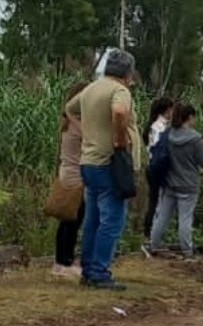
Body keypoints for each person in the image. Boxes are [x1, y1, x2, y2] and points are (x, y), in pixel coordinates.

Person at [65, 49, 140, 291]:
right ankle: (99, 271)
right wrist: (120, 139)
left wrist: (85, 130)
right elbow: (119, 111)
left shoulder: (92, 88)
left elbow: (70, 108)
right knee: (112, 220)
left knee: (93, 220)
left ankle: (88, 269)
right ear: (128, 73)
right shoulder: (119, 91)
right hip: (110, 163)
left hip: (89, 162)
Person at [149, 103, 203, 259]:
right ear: (189, 117)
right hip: (189, 185)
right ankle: (187, 252)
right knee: (185, 219)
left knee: (162, 216)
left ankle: (154, 245)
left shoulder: (167, 135)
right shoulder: (196, 139)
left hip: (169, 183)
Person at [52, 81, 89, 278]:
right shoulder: (77, 125)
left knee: (66, 221)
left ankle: (61, 259)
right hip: (76, 176)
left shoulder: (66, 125)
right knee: (74, 220)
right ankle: (64, 261)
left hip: (66, 173)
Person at [143, 96, 174, 237]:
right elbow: (159, 149)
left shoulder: (152, 125)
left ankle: (149, 231)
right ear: (167, 110)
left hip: (151, 166)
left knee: (154, 200)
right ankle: (151, 232)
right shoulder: (160, 127)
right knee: (158, 201)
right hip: (157, 168)